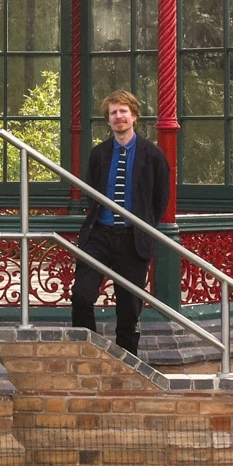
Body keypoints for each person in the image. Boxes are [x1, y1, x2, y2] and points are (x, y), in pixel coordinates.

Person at [71, 90, 171, 357]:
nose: (118, 117)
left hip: (133, 239)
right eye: (113, 113)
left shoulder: (153, 155)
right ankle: (87, 353)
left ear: (134, 116)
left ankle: (127, 365)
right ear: (108, 119)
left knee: (129, 309)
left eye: (123, 111)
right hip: (99, 235)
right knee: (81, 295)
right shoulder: (99, 154)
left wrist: (143, 226)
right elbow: (91, 191)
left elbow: (160, 198)